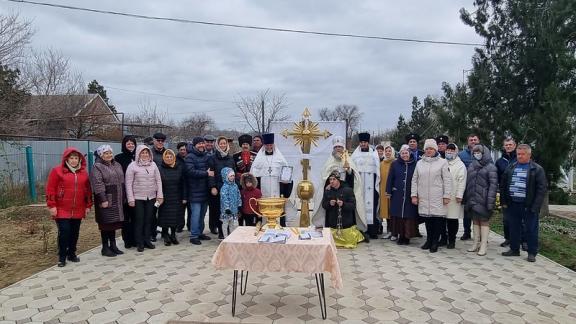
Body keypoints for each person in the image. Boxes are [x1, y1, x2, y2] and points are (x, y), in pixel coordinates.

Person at [46, 147, 92, 267]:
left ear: (79, 159)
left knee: (74, 232)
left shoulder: (84, 174)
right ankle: (62, 256)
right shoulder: (57, 171)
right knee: (64, 232)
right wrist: (52, 206)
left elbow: (88, 191)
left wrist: (88, 206)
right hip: (62, 208)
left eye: (76, 158)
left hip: (78, 208)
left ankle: (72, 253)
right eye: (71, 158)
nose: (73, 160)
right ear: (66, 159)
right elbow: (50, 189)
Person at [500, 144, 547, 262]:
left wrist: (535, 206)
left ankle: (532, 252)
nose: (520, 156)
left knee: (531, 229)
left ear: (529, 155)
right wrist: (504, 201)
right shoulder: (511, 167)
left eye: (522, 154)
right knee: (514, 228)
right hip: (513, 204)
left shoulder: (537, 169)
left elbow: (541, 190)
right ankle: (514, 249)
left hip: (529, 205)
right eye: (518, 154)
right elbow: (503, 185)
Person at [313, 136, 367, 238]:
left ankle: (347, 233)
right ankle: (331, 233)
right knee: (332, 210)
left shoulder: (348, 160)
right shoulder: (329, 161)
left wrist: (349, 170)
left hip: (345, 191)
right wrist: (328, 184)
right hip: (333, 190)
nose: (338, 148)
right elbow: (325, 176)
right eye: (336, 147)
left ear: (343, 148)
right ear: (333, 149)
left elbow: (354, 177)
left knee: (346, 209)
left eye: (340, 147)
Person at [411, 139, 452, 253]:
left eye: (431, 149)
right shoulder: (419, 163)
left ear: (435, 149)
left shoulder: (443, 162)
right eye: (427, 149)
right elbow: (414, 180)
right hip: (424, 196)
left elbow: (447, 180)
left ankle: (435, 242)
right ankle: (428, 240)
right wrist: (414, 195)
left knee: (437, 220)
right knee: (427, 220)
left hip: (437, 197)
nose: (429, 151)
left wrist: (446, 195)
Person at [125, 145, 164, 252]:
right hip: (138, 198)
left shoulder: (153, 165)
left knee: (149, 220)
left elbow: (158, 181)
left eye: (147, 153)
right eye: (143, 152)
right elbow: (128, 184)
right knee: (139, 220)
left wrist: (160, 195)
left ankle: (147, 240)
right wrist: (130, 199)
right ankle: (139, 242)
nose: (145, 155)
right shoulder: (132, 166)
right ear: (138, 154)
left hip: (151, 197)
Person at [251, 133, 294, 227]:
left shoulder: (279, 157)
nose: (269, 147)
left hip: (276, 187)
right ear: (264, 145)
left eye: (271, 145)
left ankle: (278, 225)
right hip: (264, 185)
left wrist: (285, 182)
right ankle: (265, 225)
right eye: (267, 145)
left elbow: (286, 172)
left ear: (273, 145)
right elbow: (254, 174)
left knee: (277, 205)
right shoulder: (259, 158)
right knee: (264, 204)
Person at [90, 145, 125, 257]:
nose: (109, 155)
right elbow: (98, 184)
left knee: (113, 224)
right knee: (105, 224)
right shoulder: (97, 166)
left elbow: (122, 181)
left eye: (110, 152)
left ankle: (113, 245)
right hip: (105, 199)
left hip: (117, 198)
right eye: (106, 153)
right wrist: (103, 199)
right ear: (101, 155)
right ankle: (105, 247)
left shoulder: (117, 164)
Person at [464, 144, 498, 256]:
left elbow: (493, 186)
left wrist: (490, 202)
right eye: (475, 153)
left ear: (484, 153)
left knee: (483, 221)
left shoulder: (491, 167)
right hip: (472, 198)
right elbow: (468, 183)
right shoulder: (471, 166)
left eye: (479, 152)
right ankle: (475, 243)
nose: (477, 154)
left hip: (484, 199)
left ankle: (483, 244)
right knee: (475, 221)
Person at [185, 137, 216, 245]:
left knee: (202, 215)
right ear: (194, 145)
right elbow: (191, 172)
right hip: (194, 191)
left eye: (202, 143)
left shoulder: (207, 156)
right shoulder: (189, 157)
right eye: (199, 144)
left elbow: (211, 170)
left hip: (205, 190)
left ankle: (200, 233)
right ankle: (193, 235)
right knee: (196, 214)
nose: (201, 145)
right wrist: (206, 173)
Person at [322, 170, 365, 248]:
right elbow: (324, 205)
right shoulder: (328, 191)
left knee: (349, 243)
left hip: (346, 225)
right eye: (330, 179)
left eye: (334, 179)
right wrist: (329, 203)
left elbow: (353, 206)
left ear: (339, 180)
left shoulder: (348, 190)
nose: (331, 181)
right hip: (333, 225)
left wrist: (343, 204)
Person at [386, 145, 418, 245]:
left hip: (410, 194)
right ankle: (400, 236)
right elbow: (390, 178)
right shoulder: (395, 164)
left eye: (406, 153)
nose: (405, 155)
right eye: (403, 153)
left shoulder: (415, 164)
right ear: (400, 154)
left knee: (408, 216)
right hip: (397, 194)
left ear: (409, 154)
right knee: (398, 216)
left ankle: (407, 236)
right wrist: (388, 191)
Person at [351, 132, 380, 239]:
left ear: (368, 143)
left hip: (371, 186)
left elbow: (377, 170)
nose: (363, 144)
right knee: (359, 206)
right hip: (359, 185)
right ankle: (360, 230)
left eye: (365, 142)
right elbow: (352, 169)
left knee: (371, 207)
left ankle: (372, 231)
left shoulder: (374, 154)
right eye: (361, 142)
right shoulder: (355, 155)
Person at [158, 149, 187, 246]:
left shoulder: (179, 167)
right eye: (167, 157)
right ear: (164, 158)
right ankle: (165, 235)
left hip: (177, 196)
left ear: (174, 157)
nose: (169, 158)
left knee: (175, 217)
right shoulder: (160, 168)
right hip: (165, 197)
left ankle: (173, 234)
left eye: (171, 156)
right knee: (165, 217)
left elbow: (184, 183)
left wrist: (184, 197)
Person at [211, 136, 237, 238]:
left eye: (224, 143)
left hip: (230, 188)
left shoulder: (230, 158)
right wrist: (213, 186)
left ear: (227, 145)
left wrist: (236, 185)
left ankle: (230, 231)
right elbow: (211, 174)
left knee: (230, 210)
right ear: (217, 145)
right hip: (219, 188)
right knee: (220, 211)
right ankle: (221, 232)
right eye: (221, 143)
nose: (223, 145)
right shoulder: (213, 158)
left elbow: (233, 172)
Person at [442, 144, 467, 249]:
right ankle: (443, 238)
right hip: (442, 196)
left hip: (454, 197)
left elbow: (462, 181)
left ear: (456, 152)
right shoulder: (442, 162)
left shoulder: (460, 165)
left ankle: (452, 240)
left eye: (452, 150)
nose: (449, 152)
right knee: (442, 219)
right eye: (448, 150)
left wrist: (459, 195)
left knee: (452, 219)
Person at [114, 135, 137, 249]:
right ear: (124, 145)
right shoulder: (118, 158)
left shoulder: (139, 156)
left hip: (138, 191)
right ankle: (127, 240)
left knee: (137, 217)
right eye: (128, 143)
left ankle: (136, 238)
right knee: (126, 218)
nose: (130, 145)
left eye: (132, 143)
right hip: (124, 192)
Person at [495, 137, 518, 248]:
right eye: (506, 145)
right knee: (506, 219)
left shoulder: (519, 159)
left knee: (519, 219)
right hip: (505, 194)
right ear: (504, 146)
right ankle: (508, 238)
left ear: (515, 145)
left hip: (517, 193)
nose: (508, 146)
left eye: (510, 144)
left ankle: (522, 240)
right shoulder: (500, 162)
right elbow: (497, 178)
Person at [458, 133, 480, 241]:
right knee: (467, 211)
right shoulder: (461, 155)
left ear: (478, 141)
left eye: (475, 139)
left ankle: (480, 234)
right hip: (466, 187)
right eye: (471, 140)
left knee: (479, 211)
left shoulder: (484, 153)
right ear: (468, 142)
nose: (473, 141)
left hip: (480, 187)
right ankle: (467, 232)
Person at [378, 144, 395, 239]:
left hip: (392, 191)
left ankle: (393, 231)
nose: (388, 153)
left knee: (392, 211)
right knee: (385, 211)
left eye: (389, 151)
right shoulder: (381, 163)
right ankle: (388, 230)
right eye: (386, 151)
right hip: (383, 189)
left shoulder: (395, 162)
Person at [219, 167, 241, 238]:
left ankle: (232, 236)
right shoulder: (224, 187)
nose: (232, 177)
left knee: (233, 224)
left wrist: (239, 204)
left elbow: (238, 195)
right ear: (226, 177)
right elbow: (224, 198)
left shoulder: (235, 186)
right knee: (225, 223)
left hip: (234, 209)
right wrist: (226, 208)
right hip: (226, 210)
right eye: (231, 176)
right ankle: (225, 236)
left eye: (233, 176)